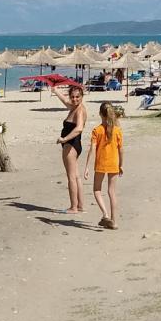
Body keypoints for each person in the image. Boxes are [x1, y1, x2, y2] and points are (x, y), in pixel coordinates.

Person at [82, 101, 124, 229]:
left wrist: (87, 167)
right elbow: (121, 149)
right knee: (112, 192)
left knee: (97, 190)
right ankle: (114, 221)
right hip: (114, 163)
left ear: (100, 114)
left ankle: (105, 215)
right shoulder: (117, 130)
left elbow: (92, 149)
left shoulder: (97, 130)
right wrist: (121, 165)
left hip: (101, 163)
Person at [52, 83, 87, 214]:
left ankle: (73, 207)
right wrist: (55, 90)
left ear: (82, 96)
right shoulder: (73, 107)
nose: (75, 99)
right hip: (73, 145)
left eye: (77, 97)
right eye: (73, 97)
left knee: (71, 177)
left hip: (71, 145)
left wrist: (64, 139)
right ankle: (81, 206)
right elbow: (65, 101)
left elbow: (79, 128)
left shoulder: (80, 110)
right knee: (76, 176)